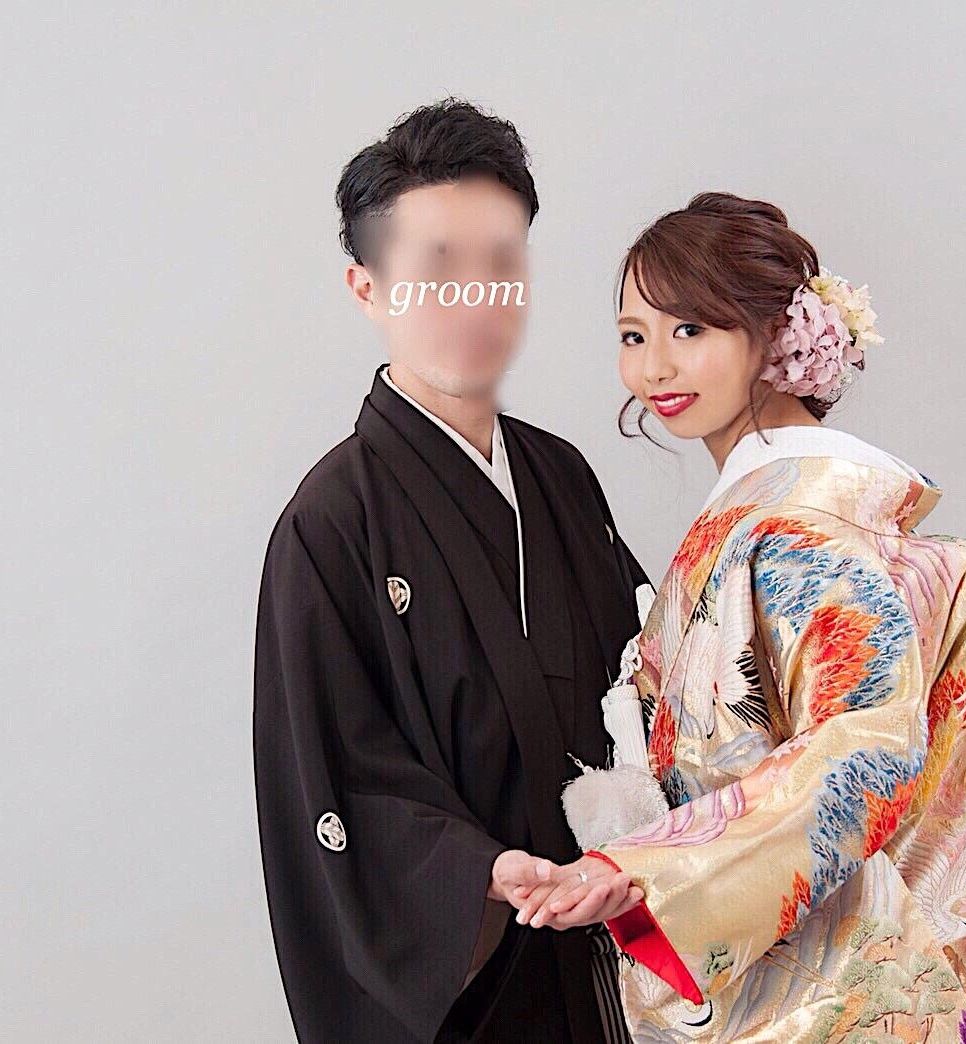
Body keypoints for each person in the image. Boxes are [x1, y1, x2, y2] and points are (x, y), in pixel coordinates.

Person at [510, 192, 966, 1042]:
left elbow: (864, 746)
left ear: (774, 336)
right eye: (633, 336)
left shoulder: (794, 528)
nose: (655, 369)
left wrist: (649, 873)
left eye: (690, 330)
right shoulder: (811, 512)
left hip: (825, 984)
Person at [252, 98, 650, 1044]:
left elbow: (651, 679)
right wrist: (479, 872)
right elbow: (338, 780)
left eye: (500, 265)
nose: (477, 300)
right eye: (438, 271)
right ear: (368, 288)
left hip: (608, 951)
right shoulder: (330, 525)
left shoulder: (560, 475)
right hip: (478, 987)